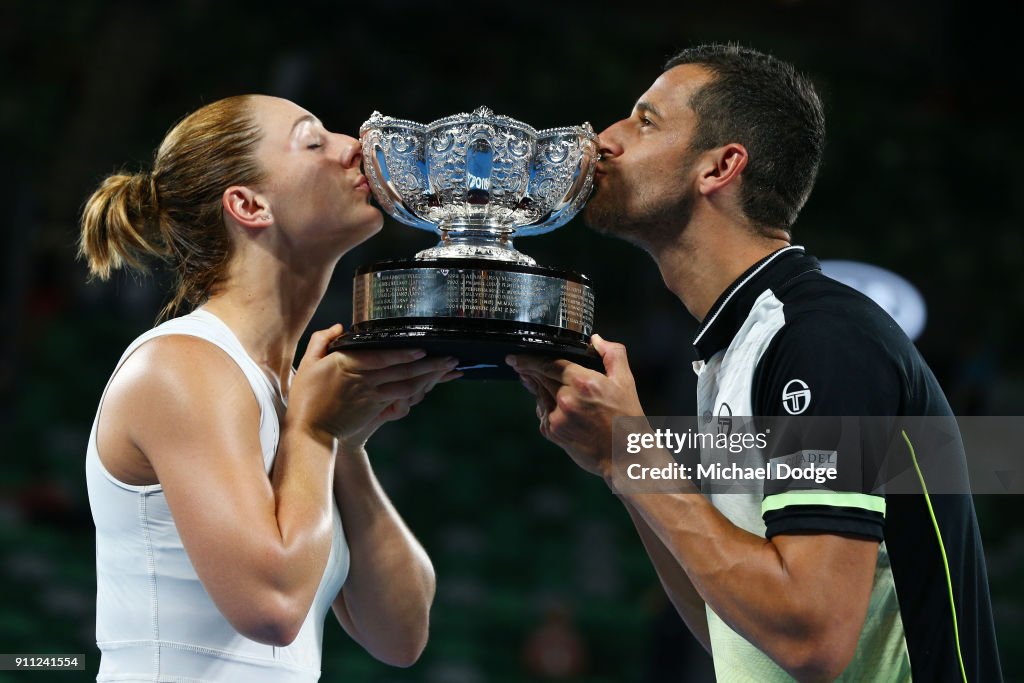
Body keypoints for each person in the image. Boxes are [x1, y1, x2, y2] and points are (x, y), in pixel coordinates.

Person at [508, 44, 1002, 681]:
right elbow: (736, 630)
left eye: (646, 121)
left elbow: (812, 638)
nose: (605, 139)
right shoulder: (738, 346)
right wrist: (619, 465)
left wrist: (629, 454)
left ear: (720, 167)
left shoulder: (822, 340)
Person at [79, 95, 460, 682]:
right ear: (249, 204)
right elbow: (272, 607)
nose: (354, 146)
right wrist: (316, 430)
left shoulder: (294, 391)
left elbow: (401, 635)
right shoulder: (182, 365)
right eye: (313, 140)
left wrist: (345, 444)